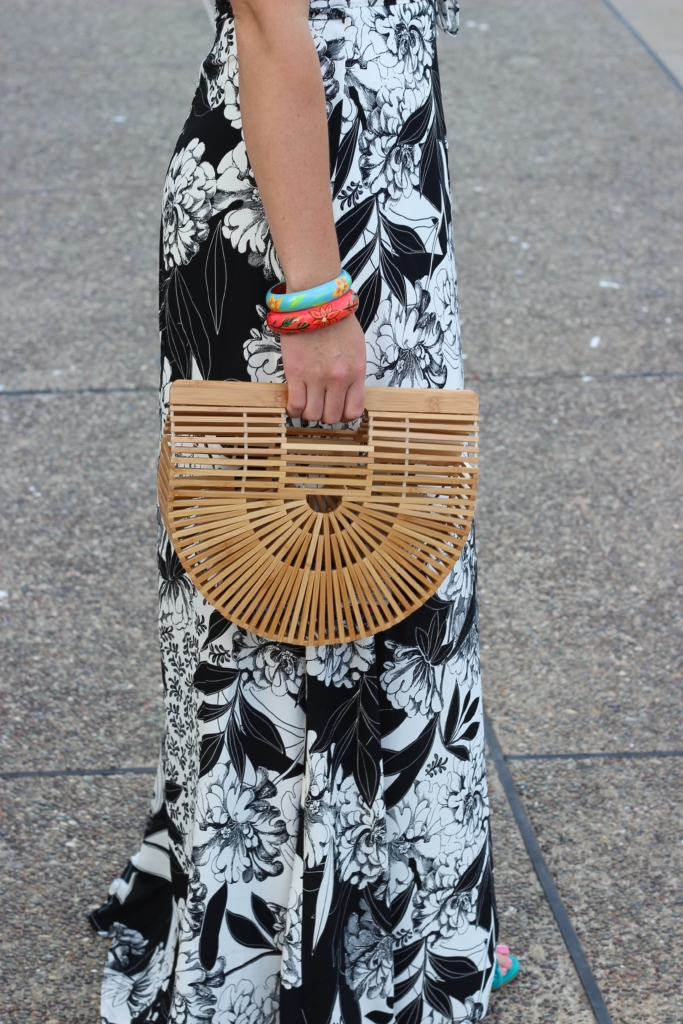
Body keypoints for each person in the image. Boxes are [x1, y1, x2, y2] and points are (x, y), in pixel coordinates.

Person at [90, 1, 518, 1020]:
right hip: (307, 220)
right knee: (290, 585)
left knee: (388, 565)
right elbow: (273, 25)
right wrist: (315, 298)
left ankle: (383, 916)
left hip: (361, 187)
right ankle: (310, 949)